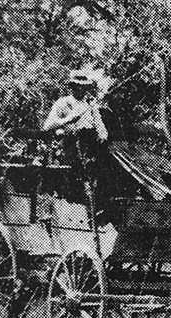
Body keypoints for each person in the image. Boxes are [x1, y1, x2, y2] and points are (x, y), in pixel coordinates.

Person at [42, 69, 111, 219]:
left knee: (103, 170)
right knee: (77, 175)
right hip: (69, 146)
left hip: (90, 146)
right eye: (77, 86)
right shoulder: (63, 103)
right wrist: (67, 120)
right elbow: (47, 126)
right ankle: (80, 208)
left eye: (84, 86)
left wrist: (102, 135)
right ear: (71, 86)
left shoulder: (90, 105)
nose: (81, 89)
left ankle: (99, 207)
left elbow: (100, 127)